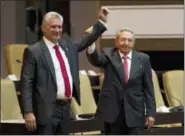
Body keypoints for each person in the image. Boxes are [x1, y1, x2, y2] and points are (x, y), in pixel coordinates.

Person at [20, 7, 109, 135]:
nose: (57, 30)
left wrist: (101, 22)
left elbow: (86, 40)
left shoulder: (67, 46)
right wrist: (28, 111)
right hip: (45, 110)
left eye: (59, 27)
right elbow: (26, 83)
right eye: (53, 27)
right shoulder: (34, 51)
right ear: (43, 28)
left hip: (65, 108)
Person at [86, 28, 156, 135]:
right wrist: (91, 41)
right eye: (123, 40)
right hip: (113, 113)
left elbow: (149, 89)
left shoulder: (143, 59)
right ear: (116, 42)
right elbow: (96, 59)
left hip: (135, 113)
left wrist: (151, 113)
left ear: (133, 43)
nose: (126, 43)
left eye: (129, 40)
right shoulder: (109, 55)